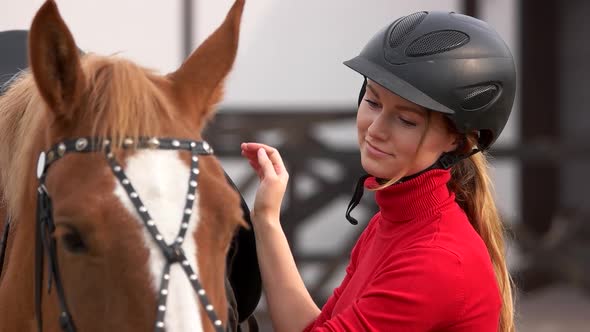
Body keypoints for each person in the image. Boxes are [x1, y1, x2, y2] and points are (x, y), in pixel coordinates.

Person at [241, 10, 516, 332]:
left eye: (406, 120)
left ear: (455, 139)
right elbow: (314, 327)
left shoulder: (437, 259)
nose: (376, 129)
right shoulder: (390, 222)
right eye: (372, 102)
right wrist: (267, 218)